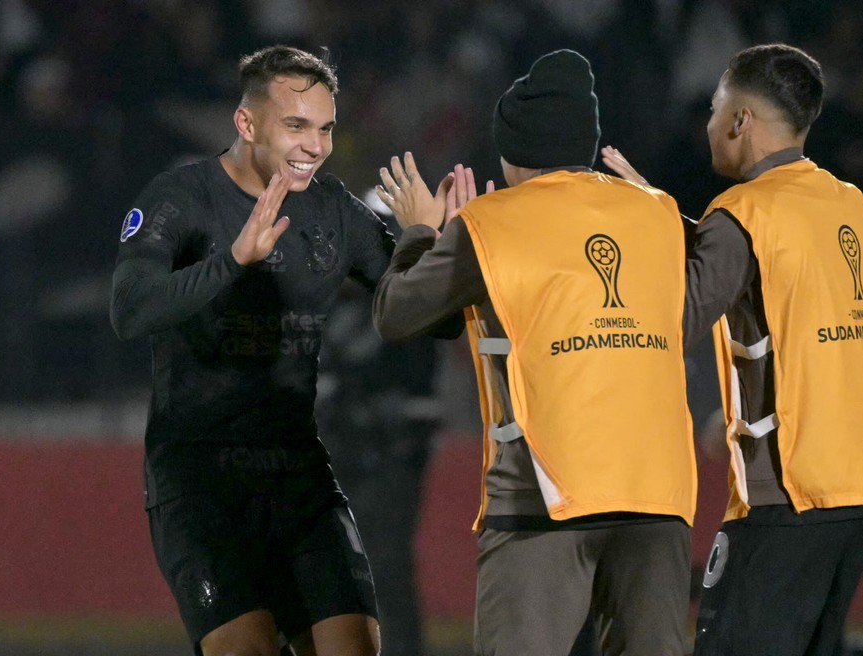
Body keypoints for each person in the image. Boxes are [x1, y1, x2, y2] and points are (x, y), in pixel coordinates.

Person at [371, 49, 697, 656]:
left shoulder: (491, 224)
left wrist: (423, 230)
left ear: (510, 151)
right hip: (658, 497)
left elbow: (396, 314)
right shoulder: (658, 212)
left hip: (542, 499)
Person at [605, 43, 863, 656]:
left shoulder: (741, 212)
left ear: (739, 120)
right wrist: (671, 220)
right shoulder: (847, 202)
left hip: (786, 491)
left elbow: (669, 322)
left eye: (715, 107)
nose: (708, 123)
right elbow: (772, 277)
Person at [109, 45, 390, 656]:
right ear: (246, 124)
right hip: (200, 483)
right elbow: (130, 309)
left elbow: (423, 311)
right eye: (296, 125)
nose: (315, 144)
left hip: (300, 479)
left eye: (325, 128)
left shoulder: (334, 209)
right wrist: (233, 260)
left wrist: (429, 245)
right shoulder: (179, 198)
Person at [315, 213, 442, 656]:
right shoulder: (327, 312)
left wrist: (382, 422)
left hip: (388, 461)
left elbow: (419, 402)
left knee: (384, 568)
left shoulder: (407, 312)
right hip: (335, 458)